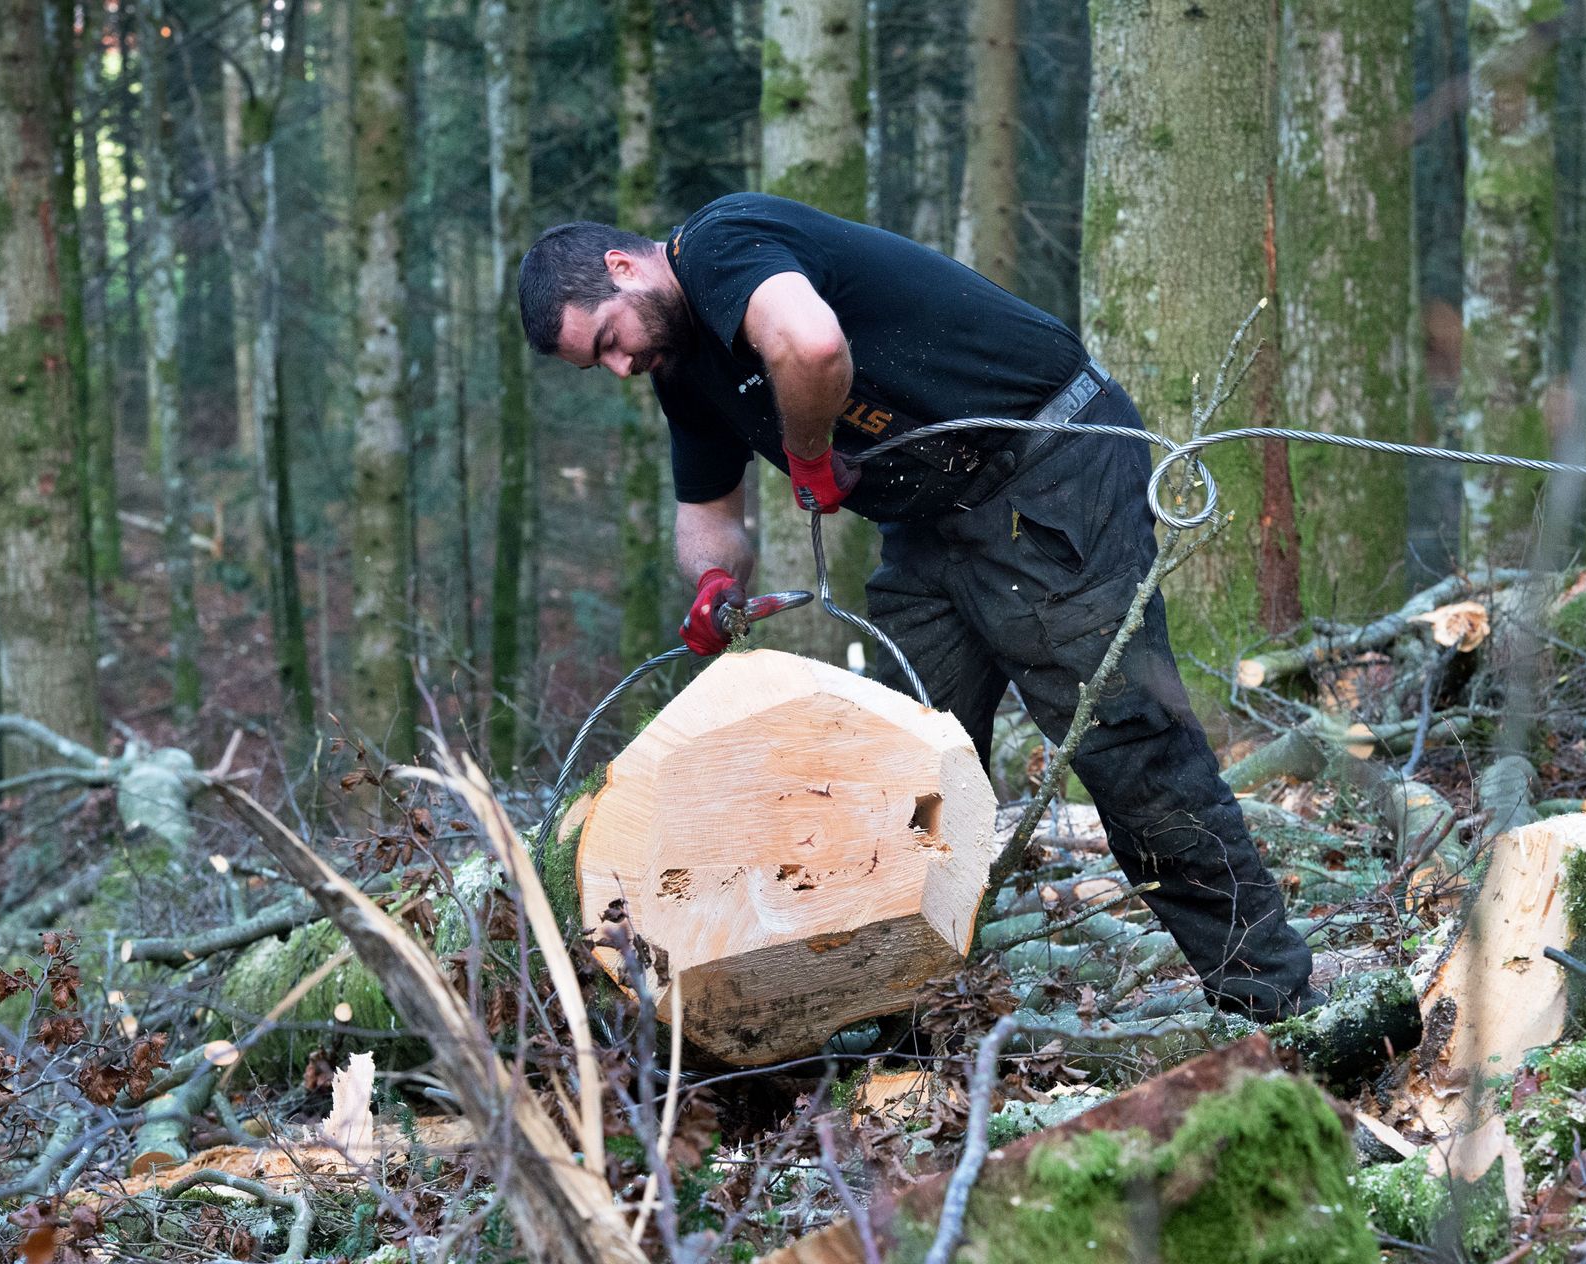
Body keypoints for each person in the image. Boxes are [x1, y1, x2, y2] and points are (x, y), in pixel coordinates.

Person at [517, 193, 1319, 1020]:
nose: (618, 366)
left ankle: (1272, 1000)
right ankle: (912, 1024)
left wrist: (808, 454)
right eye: (597, 364)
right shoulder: (684, 369)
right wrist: (713, 585)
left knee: (1129, 748)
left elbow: (812, 344)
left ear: (625, 267)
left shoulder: (720, 247)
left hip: (1047, 465)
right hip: (932, 526)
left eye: (610, 340)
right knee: (894, 779)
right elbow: (709, 522)